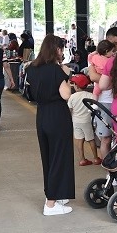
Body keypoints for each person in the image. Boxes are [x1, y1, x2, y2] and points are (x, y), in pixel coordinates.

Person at [24, 34, 75, 216]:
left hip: (42, 115)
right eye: (61, 48)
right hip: (58, 116)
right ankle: (51, 204)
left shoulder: (32, 68)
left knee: (49, 157)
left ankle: (56, 195)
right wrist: (66, 76)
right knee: (59, 157)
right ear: (56, 50)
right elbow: (66, 95)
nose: (62, 52)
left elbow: (30, 93)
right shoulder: (57, 70)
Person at [88, 39, 117, 160]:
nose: (115, 52)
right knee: (106, 138)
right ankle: (108, 167)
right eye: (113, 50)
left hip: (116, 101)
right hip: (105, 102)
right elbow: (93, 77)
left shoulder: (97, 58)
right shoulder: (100, 59)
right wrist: (109, 81)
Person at [68, 73, 100, 166]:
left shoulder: (72, 97)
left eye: (73, 84)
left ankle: (82, 159)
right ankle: (95, 158)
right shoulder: (89, 95)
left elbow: (70, 109)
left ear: (77, 86)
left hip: (76, 121)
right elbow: (95, 106)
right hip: (86, 121)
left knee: (79, 140)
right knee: (90, 139)